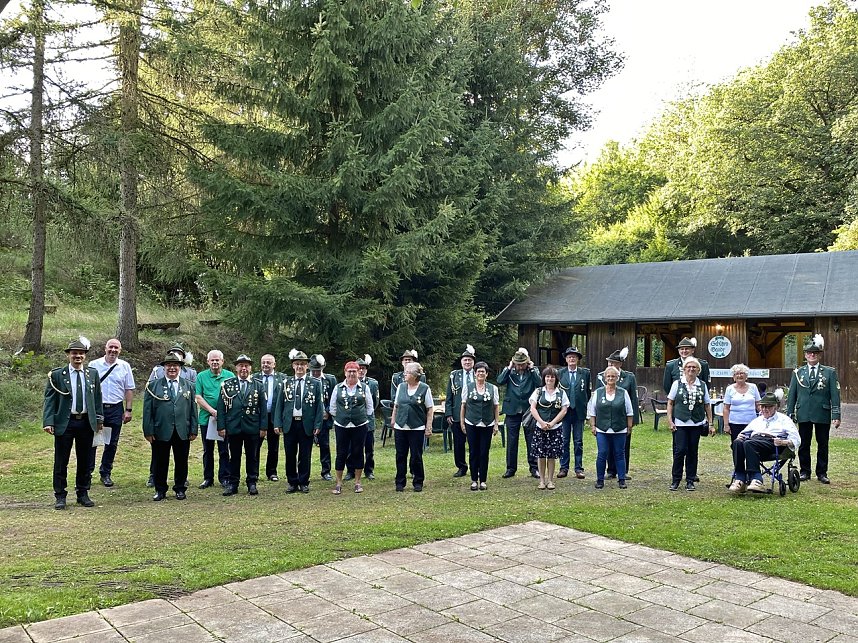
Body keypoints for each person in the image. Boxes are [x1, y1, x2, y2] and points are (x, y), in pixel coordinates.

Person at [43, 336, 104, 509]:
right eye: (74, 353)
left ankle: (83, 493)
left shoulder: (92, 374)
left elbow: (98, 397)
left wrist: (99, 419)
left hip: (86, 423)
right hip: (65, 422)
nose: (78, 356)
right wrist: (49, 421)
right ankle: (60, 496)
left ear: (85, 356)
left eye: (81, 354)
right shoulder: (57, 375)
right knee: (61, 461)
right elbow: (50, 400)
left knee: (85, 460)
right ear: (68, 355)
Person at [143, 351, 198, 501]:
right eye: (169, 365)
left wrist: (193, 429)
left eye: (175, 365)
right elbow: (148, 411)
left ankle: (180, 488)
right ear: (164, 368)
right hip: (161, 430)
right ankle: (160, 490)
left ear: (180, 367)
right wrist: (148, 431)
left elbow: (193, 409)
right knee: (160, 461)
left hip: (182, 430)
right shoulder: (153, 386)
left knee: (181, 461)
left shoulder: (189, 385)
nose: (172, 368)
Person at [786, 334, 841, 484]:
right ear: (805, 355)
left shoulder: (829, 372)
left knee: (823, 444)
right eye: (809, 353)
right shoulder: (798, 373)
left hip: (822, 412)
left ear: (819, 355)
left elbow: (835, 394)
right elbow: (792, 394)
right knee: (804, 444)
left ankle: (822, 473)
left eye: (815, 353)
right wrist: (789, 414)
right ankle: (805, 471)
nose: (812, 355)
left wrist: (836, 414)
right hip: (803, 412)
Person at [729, 390, 801, 494]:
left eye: (768, 407)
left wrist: (783, 442)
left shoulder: (784, 420)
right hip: (754, 442)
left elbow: (796, 439)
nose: (764, 409)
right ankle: (740, 478)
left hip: (772, 443)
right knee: (737, 442)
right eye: (762, 407)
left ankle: (757, 479)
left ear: (775, 407)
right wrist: (741, 435)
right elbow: (745, 432)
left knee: (749, 443)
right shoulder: (758, 420)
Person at [87, 338, 135, 487]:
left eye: (116, 348)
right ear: (105, 348)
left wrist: (128, 409)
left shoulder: (124, 366)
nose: (113, 350)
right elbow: (87, 389)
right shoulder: (94, 365)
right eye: (111, 347)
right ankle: (87, 474)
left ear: (120, 350)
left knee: (111, 443)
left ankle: (105, 473)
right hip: (97, 409)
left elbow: (129, 389)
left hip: (115, 408)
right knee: (92, 442)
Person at [274, 349, 323, 493]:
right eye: (297, 364)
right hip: (290, 423)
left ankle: (303, 481)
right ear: (293, 366)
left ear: (307, 366)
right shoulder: (286, 383)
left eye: (302, 364)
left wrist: (318, 424)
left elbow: (319, 406)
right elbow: (279, 404)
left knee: (305, 454)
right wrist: (277, 423)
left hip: (306, 423)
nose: (300, 367)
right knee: (290, 454)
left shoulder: (314, 383)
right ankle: (292, 482)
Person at [217, 354, 267, 496]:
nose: (243, 368)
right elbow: (221, 407)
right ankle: (233, 484)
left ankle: (252, 482)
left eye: (246, 365)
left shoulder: (258, 385)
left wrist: (263, 427)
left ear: (250, 368)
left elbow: (263, 409)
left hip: (252, 427)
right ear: (236, 368)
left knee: (252, 456)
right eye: (241, 365)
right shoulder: (227, 384)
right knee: (234, 457)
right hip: (234, 427)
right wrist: (221, 426)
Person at [663, 337, 710, 483]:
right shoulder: (671, 366)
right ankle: (677, 475)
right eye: (681, 349)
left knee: (692, 449)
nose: (684, 351)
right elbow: (666, 385)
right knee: (679, 448)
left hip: (695, 415)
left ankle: (691, 475)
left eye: (687, 349)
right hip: (680, 412)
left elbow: (705, 386)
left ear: (692, 350)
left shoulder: (702, 364)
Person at [667, 357, 714, 491]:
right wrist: (670, 421)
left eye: (694, 367)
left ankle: (690, 480)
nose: (691, 369)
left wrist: (710, 423)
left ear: (698, 370)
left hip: (696, 423)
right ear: (684, 369)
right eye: (689, 367)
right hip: (680, 423)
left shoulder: (702, 385)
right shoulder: (677, 383)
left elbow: (707, 405)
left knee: (693, 452)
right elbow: (670, 403)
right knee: (680, 451)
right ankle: (676, 480)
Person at [330, 361, 374, 494]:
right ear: (345, 373)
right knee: (341, 453)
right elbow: (332, 408)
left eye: (354, 371)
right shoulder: (338, 387)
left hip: (359, 425)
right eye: (349, 371)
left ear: (358, 372)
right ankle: (338, 483)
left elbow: (370, 407)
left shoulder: (364, 387)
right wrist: (341, 417)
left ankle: (358, 482)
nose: (352, 374)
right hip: (341, 425)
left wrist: (360, 417)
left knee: (358, 452)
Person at [497, 348, 542, 479]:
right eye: (518, 364)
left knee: (531, 439)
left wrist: (532, 369)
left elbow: (539, 383)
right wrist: (509, 367)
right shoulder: (510, 371)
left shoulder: (532, 371)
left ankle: (534, 468)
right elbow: (499, 381)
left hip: (528, 409)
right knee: (512, 440)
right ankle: (511, 468)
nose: (520, 366)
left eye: (523, 364)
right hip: (512, 409)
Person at [588, 366, 634, 489]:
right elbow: (592, 411)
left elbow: (629, 411)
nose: (610, 378)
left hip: (620, 429)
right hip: (602, 429)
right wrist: (593, 425)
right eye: (608, 376)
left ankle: (622, 479)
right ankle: (600, 479)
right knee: (602, 453)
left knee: (619, 454)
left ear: (617, 378)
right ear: (605, 378)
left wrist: (629, 427)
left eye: (613, 376)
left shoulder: (623, 393)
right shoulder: (598, 392)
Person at [391, 361, 435, 492]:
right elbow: (396, 405)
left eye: (407, 372)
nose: (405, 374)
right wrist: (393, 420)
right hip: (400, 426)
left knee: (416, 456)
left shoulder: (424, 388)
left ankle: (418, 481)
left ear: (415, 375)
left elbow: (430, 408)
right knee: (400, 455)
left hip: (416, 427)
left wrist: (428, 426)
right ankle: (400, 482)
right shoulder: (401, 387)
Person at [598, 347, 639, 480]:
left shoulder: (629, 377)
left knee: (623, 445)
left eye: (613, 363)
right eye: (609, 363)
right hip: (607, 418)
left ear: (620, 364)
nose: (610, 365)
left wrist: (633, 421)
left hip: (622, 418)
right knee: (608, 445)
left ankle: (623, 470)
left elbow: (633, 398)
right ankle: (611, 470)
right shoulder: (602, 376)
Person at [195, 350, 233, 489]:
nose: (215, 362)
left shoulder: (229, 376)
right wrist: (212, 410)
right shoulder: (201, 376)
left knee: (224, 450)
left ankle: (225, 477)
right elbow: (198, 397)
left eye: (217, 360)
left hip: (225, 420)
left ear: (222, 361)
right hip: (207, 419)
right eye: (212, 360)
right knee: (208, 450)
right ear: (208, 361)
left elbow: (234, 396)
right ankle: (208, 478)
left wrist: (222, 413)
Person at [460, 361, 499, 491]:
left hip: (487, 423)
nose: (480, 373)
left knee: (484, 452)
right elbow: (463, 406)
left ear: (486, 374)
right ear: (475, 374)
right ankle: (473, 480)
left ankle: (483, 480)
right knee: (473, 452)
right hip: (471, 422)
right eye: (478, 371)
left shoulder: (493, 388)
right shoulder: (468, 387)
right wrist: (462, 422)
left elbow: (495, 406)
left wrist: (496, 424)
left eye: (483, 371)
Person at [529, 366, 569, 490]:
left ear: (556, 378)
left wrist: (552, 423)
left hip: (555, 428)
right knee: (541, 455)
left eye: (552, 376)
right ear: (544, 378)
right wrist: (541, 422)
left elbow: (564, 409)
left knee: (552, 455)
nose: (549, 379)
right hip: (540, 428)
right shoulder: (538, 391)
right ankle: (542, 481)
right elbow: (533, 408)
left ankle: (550, 481)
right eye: (547, 376)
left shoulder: (561, 392)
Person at [557, 346, 591, 480]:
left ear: (577, 360)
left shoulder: (585, 373)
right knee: (564, 440)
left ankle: (578, 468)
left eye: (574, 357)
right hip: (564, 412)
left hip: (579, 411)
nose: (572, 359)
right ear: (566, 359)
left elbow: (587, 392)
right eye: (569, 357)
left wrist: (583, 405)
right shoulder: (560, 373)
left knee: (578, 441)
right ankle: (563, 467)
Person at [346, 355, 380, 480]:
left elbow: (375, 402)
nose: (361, 370)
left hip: (367, 420)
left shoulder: (372, 383)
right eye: (359, 368)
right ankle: (350, 471)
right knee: (351, 447)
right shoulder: (348, 382)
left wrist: (365, 414)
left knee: (369, 447)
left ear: (366, 370)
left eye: (363, 368)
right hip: (352, 421)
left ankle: (369, 470)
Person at [445, 345, 476, 478]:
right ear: (461, 362)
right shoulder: (454, 375)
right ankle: (461, 467)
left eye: (469, 360)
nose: (467, 362)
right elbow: (449, 396)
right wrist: (448, 413)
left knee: (474, 443)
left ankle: (476, 466)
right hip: (457, 414)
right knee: (458, 443)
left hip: (474, 414)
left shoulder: (478, 373)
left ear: (473, 362)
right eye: (465, 360)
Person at [253, 354, 285, 481]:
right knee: (255, 445)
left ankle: (272, 472)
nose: (265, 365)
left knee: (273, 446)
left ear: (274, 364)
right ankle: (254, 473)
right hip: (258, 416)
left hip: (274, 416)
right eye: (263, 362)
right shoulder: (254, 377)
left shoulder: (281, 378)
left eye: (268, 362)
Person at [310, 354, 336, 481]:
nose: (315, 373)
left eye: (318, 371)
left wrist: (328, 411)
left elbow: (333, 399)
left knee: (325, 445)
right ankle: (305, 470)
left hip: (324, 418)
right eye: (313, 371)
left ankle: (326, 471)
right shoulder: (307, 380)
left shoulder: (330, 380)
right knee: (305, 445)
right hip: (308, 418)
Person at [722, 364, 761, 443]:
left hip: (751, 422)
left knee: (751, 445)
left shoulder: (753, 387)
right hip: (735, 423)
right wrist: (726, 425)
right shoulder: (729, 389)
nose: (739, 375)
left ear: (746, 376)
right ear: (734, 377)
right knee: (737, 445)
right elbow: (726, 408)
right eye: (737, 374)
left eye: (742, 373)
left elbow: (758, 405)